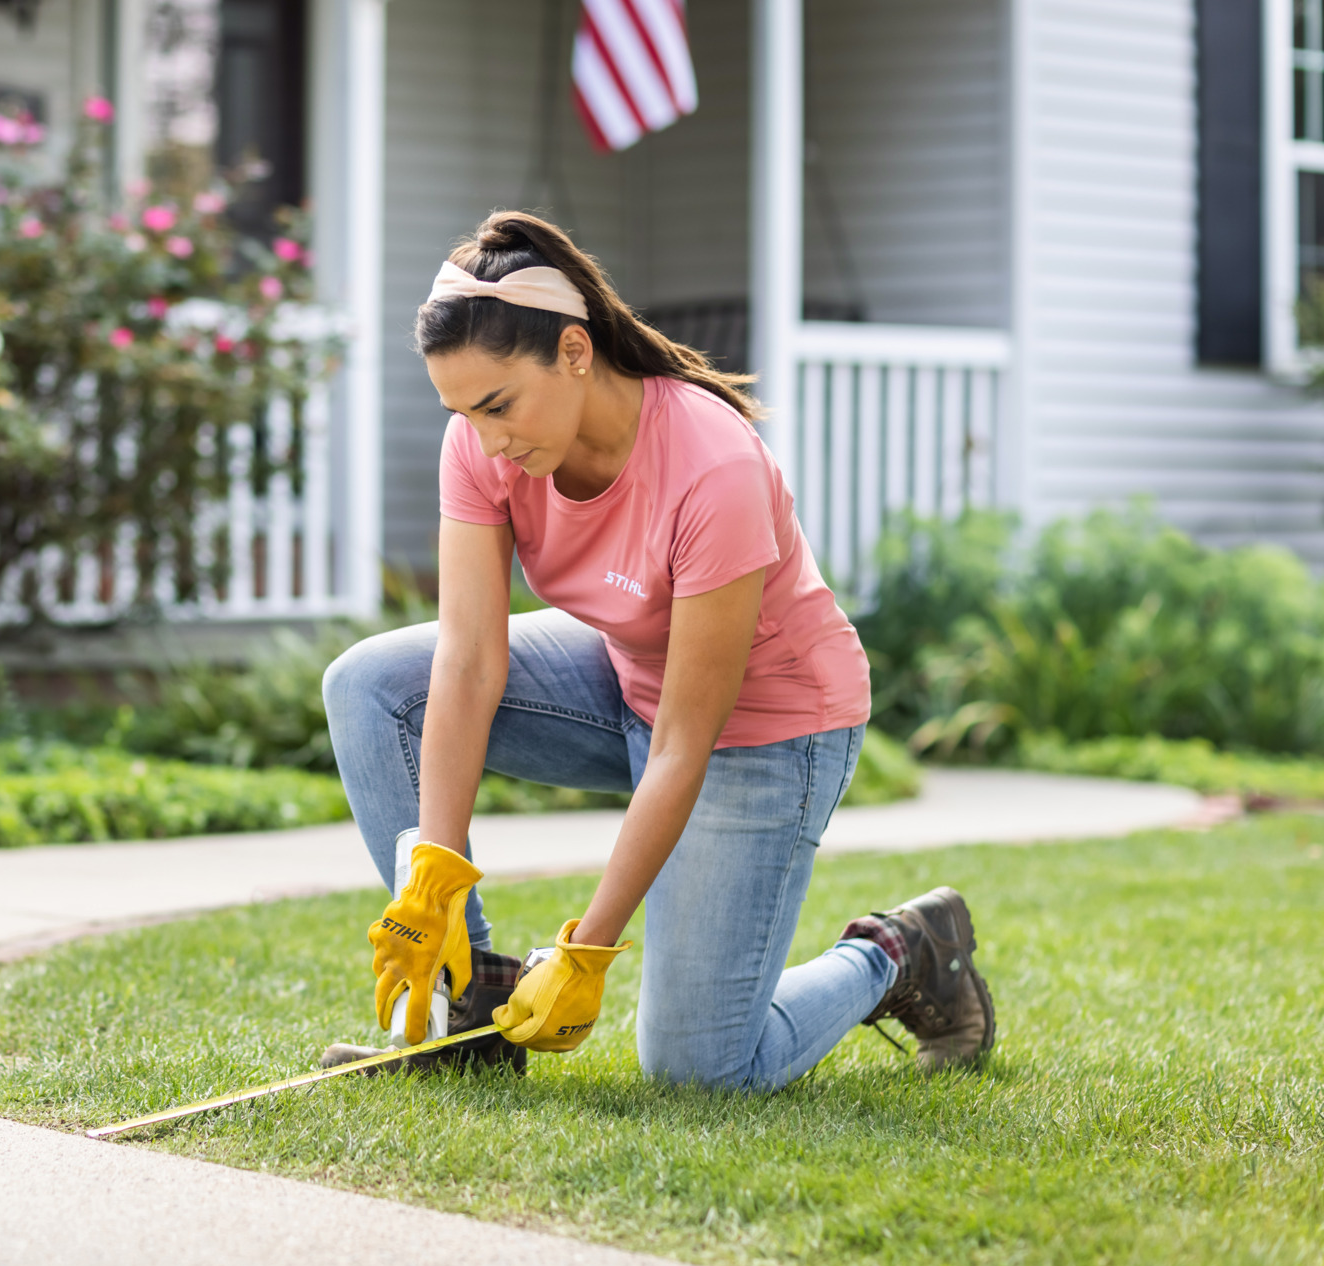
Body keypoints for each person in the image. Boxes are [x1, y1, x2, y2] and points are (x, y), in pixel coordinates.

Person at [319, 211, 994, 1090]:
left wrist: (588, 946)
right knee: (372, 685)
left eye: (497, 406)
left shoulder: (712, 467)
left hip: (769, 729)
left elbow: (685, 741)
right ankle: (474, 1011)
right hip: (626, 676)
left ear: (572, 351)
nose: (487, 440)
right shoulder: (484, 446)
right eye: (462, 413)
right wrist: (434, 876)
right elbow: (468, 662)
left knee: (697, 1069)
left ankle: (900, 954)